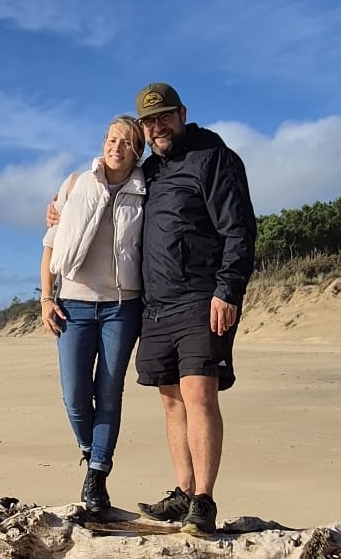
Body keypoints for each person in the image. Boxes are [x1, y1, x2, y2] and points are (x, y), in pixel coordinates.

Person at [131, 82, 256, 536]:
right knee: (171, 404)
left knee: (200, 395)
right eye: (148, 122)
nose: (157, 127)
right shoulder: (150, 171)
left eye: (164, 117)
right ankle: (182, 493)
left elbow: (239, 229)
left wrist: (228, 290)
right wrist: (58, 208)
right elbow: (106, 197)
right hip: (156, 306)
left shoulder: (214, 157)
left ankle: (203, 500)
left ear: (182, 113)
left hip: (202, 298)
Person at [40, 115, 147, 516]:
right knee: (74, 396)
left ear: (137, 150)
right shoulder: (75, 184)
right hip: (74, 304)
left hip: (123, 306)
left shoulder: (145, 189)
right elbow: (50, 247)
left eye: (126, 141)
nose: (116, 147)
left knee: (109, 390)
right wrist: (46, 299)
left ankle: (97, 474)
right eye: (111, 139)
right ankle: (90, 449)